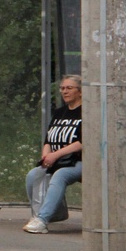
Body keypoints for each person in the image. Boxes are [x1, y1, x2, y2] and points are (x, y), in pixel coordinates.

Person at [24, 74, 83, 234]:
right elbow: (48, 140)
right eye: (62, 88)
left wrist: (55, 156)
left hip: (80, 161)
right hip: (56, 159)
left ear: (81, 92)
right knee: (33, 175)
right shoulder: (59, 112)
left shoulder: (87, 112)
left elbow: (82, 142)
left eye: (69, 88)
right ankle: (43, 214)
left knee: (60, 175)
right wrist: (46, 157)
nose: (65, 91)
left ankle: (42, 220)